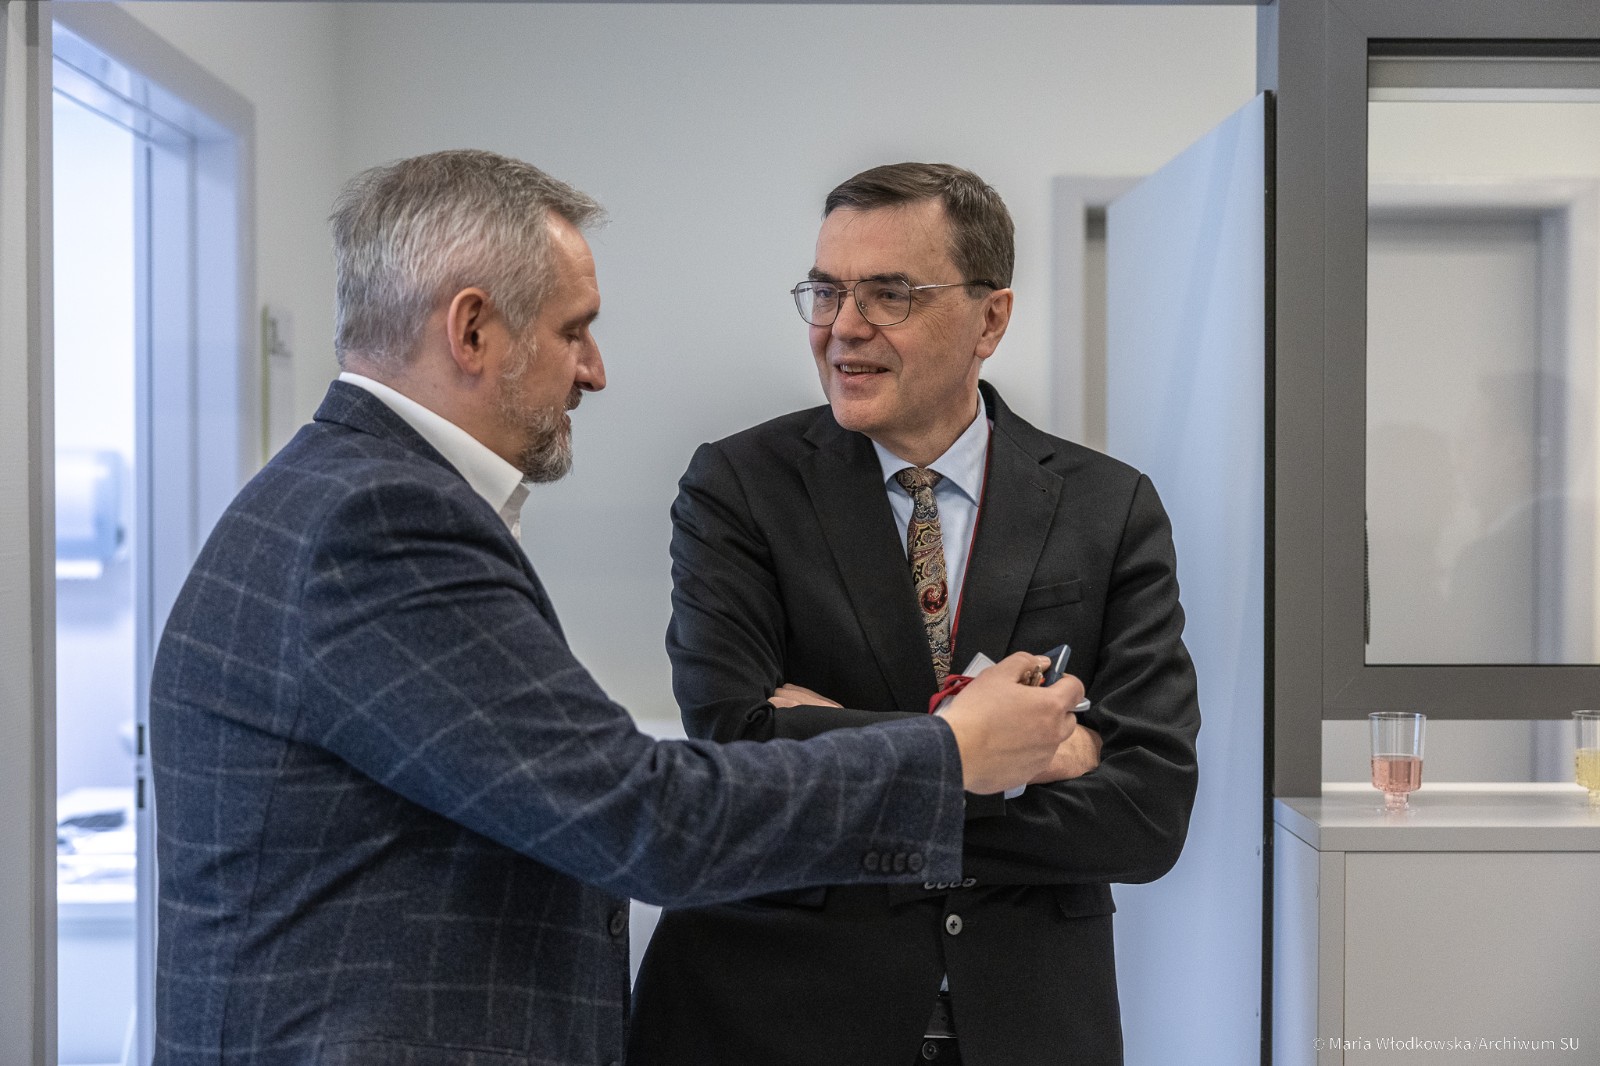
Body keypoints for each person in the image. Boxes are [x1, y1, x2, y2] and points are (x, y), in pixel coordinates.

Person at [148, 150, 1083, 1066]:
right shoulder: (381, 520)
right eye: (574, 332)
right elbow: (643, 819)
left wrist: (837, 727)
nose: (594, 372)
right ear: (471, 330)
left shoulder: (347, 493)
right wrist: (950, 750)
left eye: (891, 295)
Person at [627, 163, 1201, 1066]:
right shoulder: (738, 489)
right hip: (770, 1017)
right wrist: (1002, 754)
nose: (844, 327)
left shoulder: (1109, 507)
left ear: (990, 319)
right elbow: (736, 748)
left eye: (889, 294)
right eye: (826, 291)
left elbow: (1147, 813)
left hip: (1027, 1028)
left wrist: (835, 764)